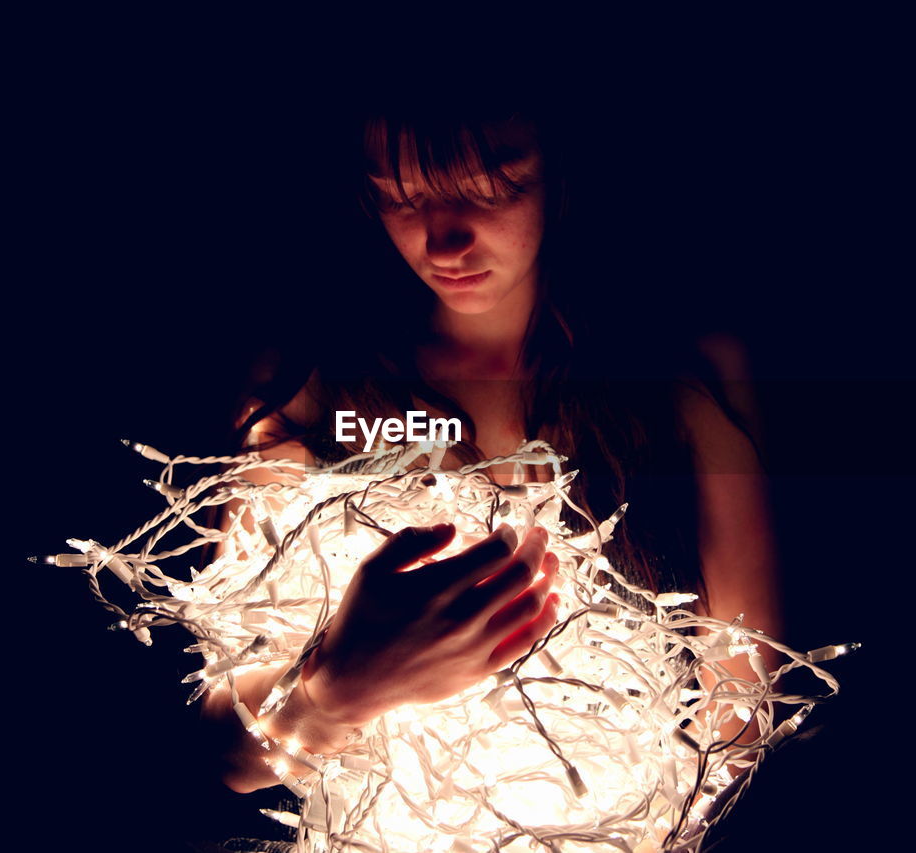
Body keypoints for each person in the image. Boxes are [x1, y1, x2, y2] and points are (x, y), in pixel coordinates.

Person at [199, 108, 782, 797]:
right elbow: (220, 751)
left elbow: (741, 725)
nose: (443, 242)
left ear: (562, 171)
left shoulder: (686, 380)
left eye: (491, 187)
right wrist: (329, 695)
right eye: (401, 196)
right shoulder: (306, 389)